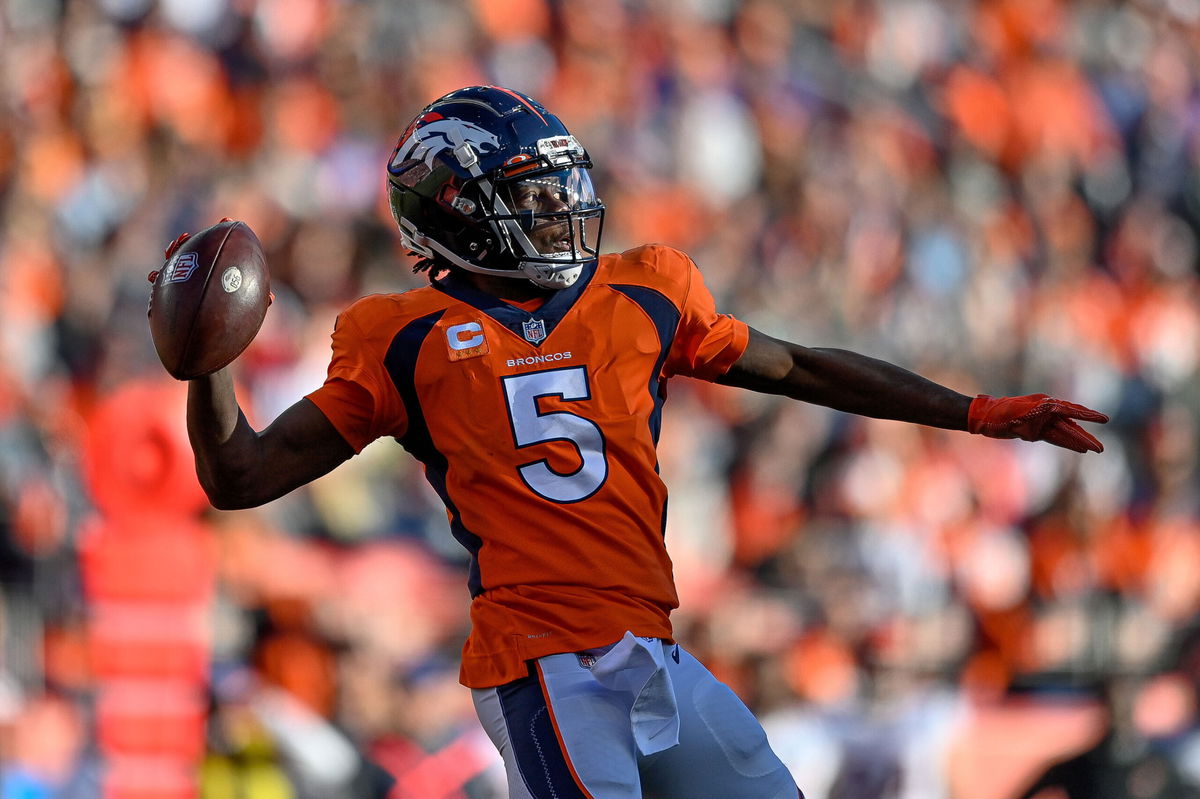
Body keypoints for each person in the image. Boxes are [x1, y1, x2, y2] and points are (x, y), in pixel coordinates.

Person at [170, 85, 1108, 799]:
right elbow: (241, 475)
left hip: (651, 648)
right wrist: (207, 365)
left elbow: (803, 368)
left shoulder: (644, 290)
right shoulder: (401, 337)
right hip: (539, 664)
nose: (559, 211)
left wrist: (975, 412)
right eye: (529, 197)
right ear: (455, 209)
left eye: (556, 189)